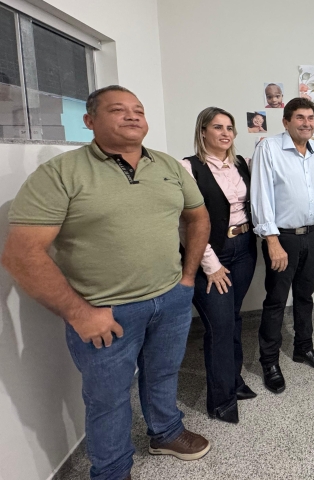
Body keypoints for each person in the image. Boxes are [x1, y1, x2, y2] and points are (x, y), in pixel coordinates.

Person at [1, 86, 212, 480]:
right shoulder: (61, 174)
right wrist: (80, 314)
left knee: (164, 373)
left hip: (171, 299)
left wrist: (187, 277)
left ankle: (166, 433)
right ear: (89, 121)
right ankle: (113, 470)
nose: (132, 116)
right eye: (118, 110)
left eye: (138, 110)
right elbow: (21, 254)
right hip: (106, 313)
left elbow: (198, 217)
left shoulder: (167, 165)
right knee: (108, 398)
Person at [251, 97, 314, 394]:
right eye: (300, 117)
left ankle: (304, 347)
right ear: (286, 121)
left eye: (310, 118)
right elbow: (261, 196)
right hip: (283, 238)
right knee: (276, 300)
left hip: (313, 234)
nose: (306, 123)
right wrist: (272, 240)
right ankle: (269, 362)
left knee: (305, 296)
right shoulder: (269, 148)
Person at [180, 107, 257, 424]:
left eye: (229, 128)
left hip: (244, 248)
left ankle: (233, 380)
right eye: (217, 127)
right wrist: (209, 263)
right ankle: (221, 401)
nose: (225, 133)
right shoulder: (189, 167)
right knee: (220, 325)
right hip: (212, 254)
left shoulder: (241, 164)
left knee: (233, 317)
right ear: (203, 132)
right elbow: (185, 222)